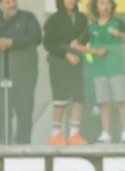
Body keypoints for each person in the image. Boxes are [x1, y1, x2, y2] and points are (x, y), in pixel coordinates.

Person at [71, 0, 125, 144]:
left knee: (120, 101)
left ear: (112, 6)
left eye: (107, 3)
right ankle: (105, 133)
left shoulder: (117, 22)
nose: (105, 6)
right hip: (99, 70)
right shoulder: (92, 27)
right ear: (96, 6)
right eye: (101, 3)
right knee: (103, 102)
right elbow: (76, 45)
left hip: (116, 68)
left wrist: (118, 33)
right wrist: (94, 51)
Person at [43, 0, 88, 145]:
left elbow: (87, 36)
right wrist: (66, 54)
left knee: (79, 96)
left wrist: (79, 43)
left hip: (78, 60)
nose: (70, 1)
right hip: (59, 61)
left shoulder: (82, 18)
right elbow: (48, 43)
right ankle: (55, 135)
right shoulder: (54, 19)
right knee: (60, 98)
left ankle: (74, 134)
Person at [0, 0, 41, 145]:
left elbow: (36, 37)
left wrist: (12, 42)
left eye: (14, 1)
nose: (12, 5)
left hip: (25, 74)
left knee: (24, 111)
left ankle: (23, 144)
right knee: (2, 111)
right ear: (0, 5)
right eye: (8, 2)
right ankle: (4, 143)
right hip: (1, 74)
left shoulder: (28, 18)